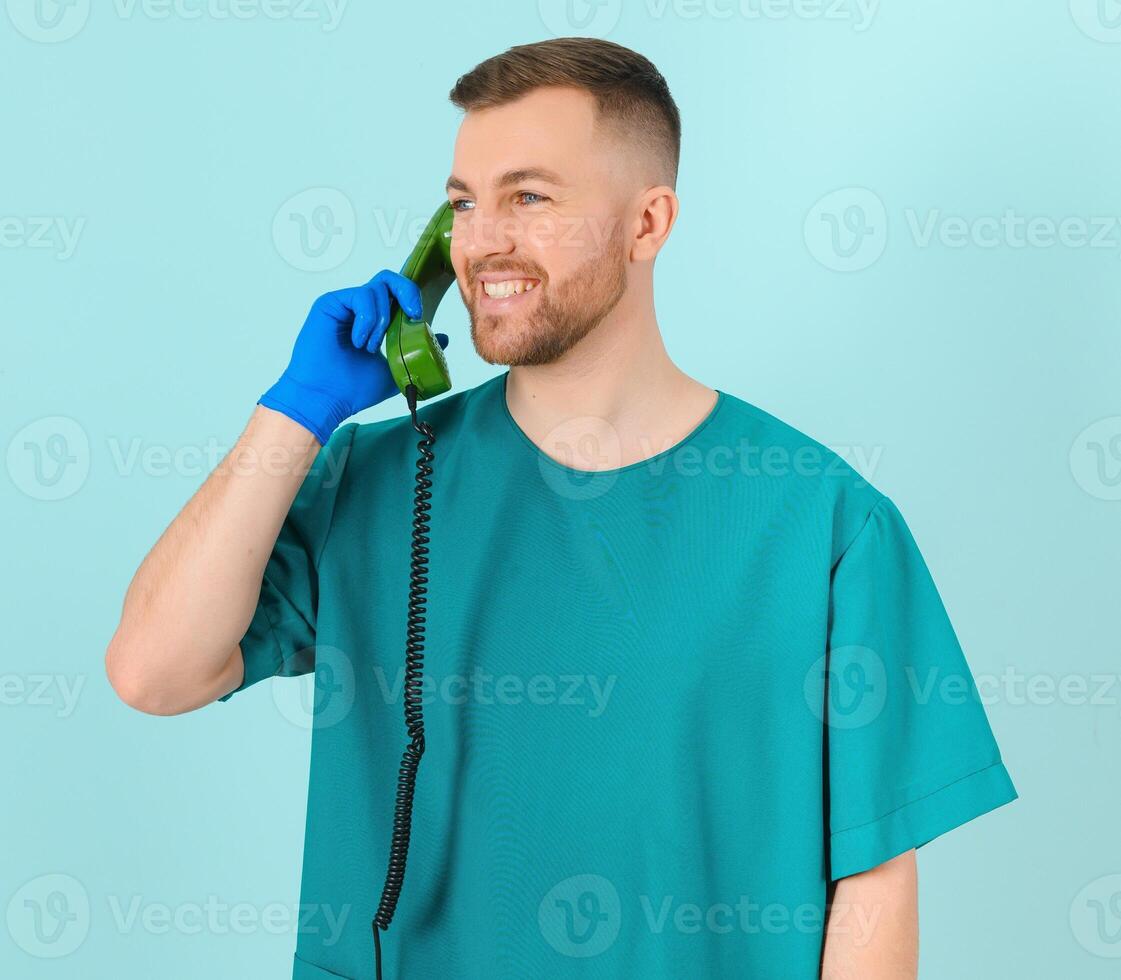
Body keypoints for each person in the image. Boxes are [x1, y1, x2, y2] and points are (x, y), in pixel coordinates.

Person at [105, 37, 1017, 980]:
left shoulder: (826, 524)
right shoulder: (375, 480)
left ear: (648, 222)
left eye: (528, 197)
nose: (482, 242)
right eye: (462, 203)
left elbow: (875, 887)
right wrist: (296, 412)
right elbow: (153, 672)